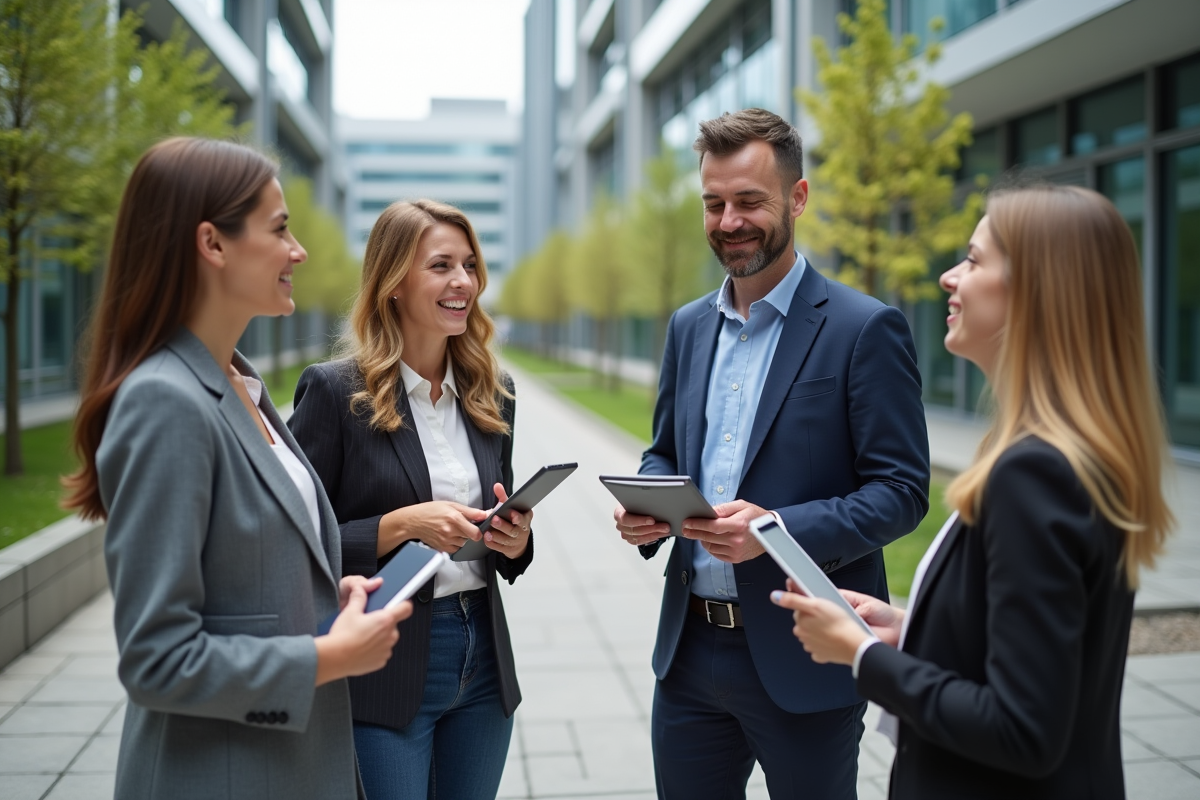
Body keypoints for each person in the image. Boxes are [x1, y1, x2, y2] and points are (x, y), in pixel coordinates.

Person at [774, 185, 1175, 799]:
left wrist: (861, 655)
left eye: (974, 259)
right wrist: (913, 630)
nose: (948, 276)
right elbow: (1038, 654)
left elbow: (1022, 729)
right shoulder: (1069, 457)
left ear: (1038, 291)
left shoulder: (1034, 474)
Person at [62, 137, 411, 799]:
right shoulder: (166, 402)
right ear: (212, 244)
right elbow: (157, 659)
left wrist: (319, 602)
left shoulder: (240, 384)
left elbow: (241, 579)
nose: (298, 251)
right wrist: (327, 655)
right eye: (279, 229)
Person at [612, 108, 931, 798]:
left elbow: (902, 493)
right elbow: (664, 452)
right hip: (688, 654)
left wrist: (775, 533)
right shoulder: (688, 326)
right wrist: (650, 505)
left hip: (807, 652)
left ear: (798, 197)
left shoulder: (865, 328)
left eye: (749, 201)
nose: (729, 222)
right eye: (714, 204)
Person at [288, 199, 533, 800]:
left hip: (482, 661)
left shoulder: (493, 392)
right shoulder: (335, 392)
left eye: (469, 265)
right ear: (394, 281)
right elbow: (292, 540)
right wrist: (399, 525)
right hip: (385, 664)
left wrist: (515, 541)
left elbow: (505, 540)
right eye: (441, 265)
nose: (463, 281)